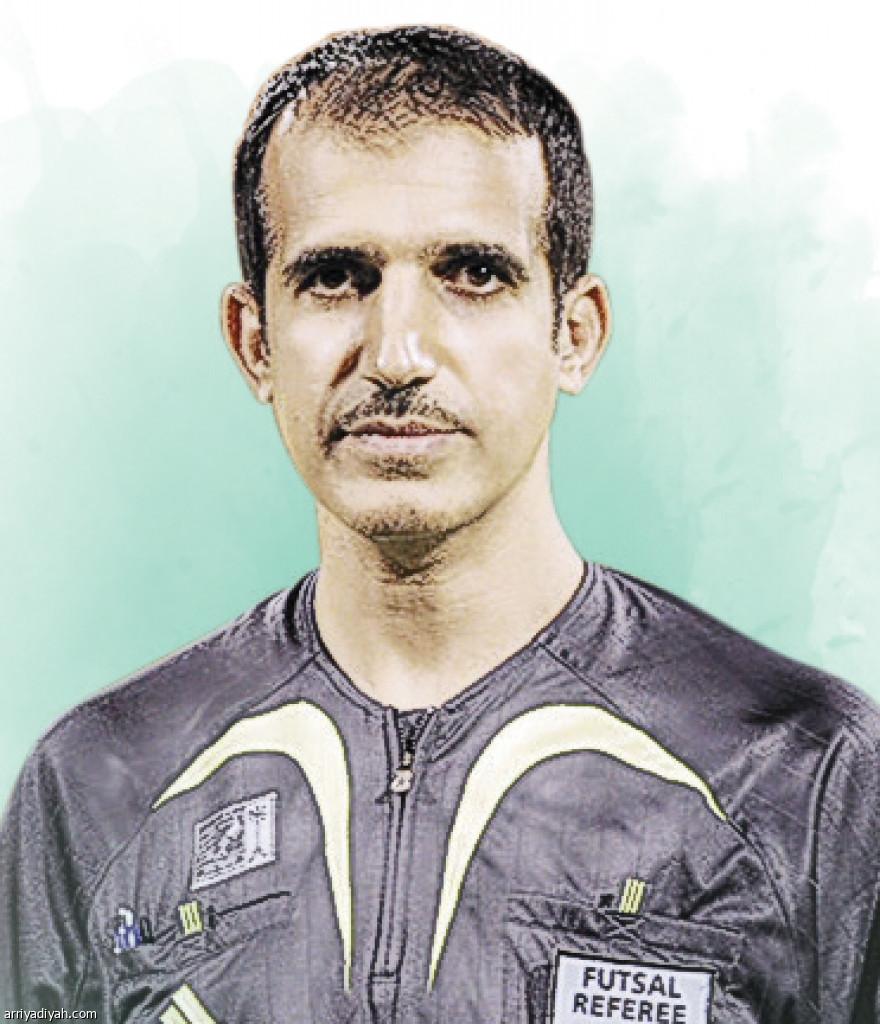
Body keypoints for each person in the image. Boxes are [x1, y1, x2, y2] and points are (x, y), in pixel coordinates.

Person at [1, 24, 878, 1024]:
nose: (398, 353)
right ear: (255, 343)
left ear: (574, 333)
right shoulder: (99, 782)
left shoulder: (804, 771)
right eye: (336, 277)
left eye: (474, 273)